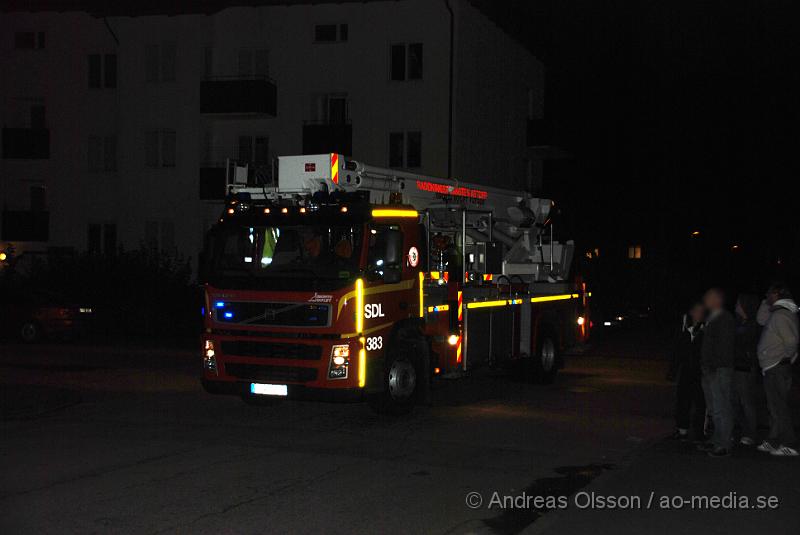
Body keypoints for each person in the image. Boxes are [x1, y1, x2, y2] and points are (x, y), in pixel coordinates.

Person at [755, 281, 799, 457]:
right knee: (774, 406)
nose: (766, 297)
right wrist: (765, 304)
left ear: (777, 295)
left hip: (777, 367)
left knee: (780, 406)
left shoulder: (781, 315)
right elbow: (760, 319)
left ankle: (790, 443)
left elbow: (791, 341)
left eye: (769, 294)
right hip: (772, 366)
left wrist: (785, 358)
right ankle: (774, 439)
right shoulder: (777, 313)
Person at [699, 288, 736, 457]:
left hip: (719, 369)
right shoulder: (712, 317)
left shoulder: (724, 318)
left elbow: (725, 346)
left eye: (709, 298)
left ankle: (723, 443)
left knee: (721, 406)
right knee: (714, 407)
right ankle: (716, 439)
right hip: (711, 368)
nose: (706, 300)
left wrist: (714, 366)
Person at [669, 302, 706, 441]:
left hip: (700, 372)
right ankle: (682, 430)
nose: (698, 314)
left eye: (701, 311)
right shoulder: (684, 328)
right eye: (696, 310)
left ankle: (699, 432)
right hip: (686, 370)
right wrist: (673, 370)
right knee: (682, 401)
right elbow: (677, 350)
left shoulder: (705, 329)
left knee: (700, 403)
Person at [731, 293, 761, 446]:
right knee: (735, 401)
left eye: (738, 303)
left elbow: (743, 343)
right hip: (736, 367)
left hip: (745, 367)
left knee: (746, 402)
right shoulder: (739, 323)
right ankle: (740, 430)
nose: (736, 306)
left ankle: (750, 433)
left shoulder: (751, 325)